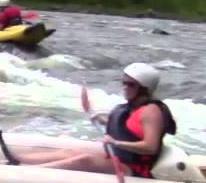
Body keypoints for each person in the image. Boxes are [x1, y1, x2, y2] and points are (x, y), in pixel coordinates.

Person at [18, 63, 178, 177]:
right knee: (69, 152)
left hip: (134, 168)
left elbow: (150, 147)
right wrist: (101, 119)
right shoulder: (132, 107)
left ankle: (25, 174)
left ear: (144, 88)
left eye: (130, 85)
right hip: (118, 157)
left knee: (84, 160)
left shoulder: (151, 111)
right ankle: (16, 160)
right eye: (124, 83)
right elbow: (127, 129)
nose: (125, 87)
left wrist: (117, 143)